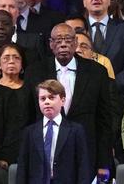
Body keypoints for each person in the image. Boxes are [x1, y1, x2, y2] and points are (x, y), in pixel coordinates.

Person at [24, 24, 113, 178]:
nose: (63, 44)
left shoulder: (97, 72)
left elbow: (105, 122)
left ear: (76, 42)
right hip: (46, 158)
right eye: (58, 40)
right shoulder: (35, 72)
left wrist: (104, 163)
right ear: (51, 44)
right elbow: (29, 118)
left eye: (68, 39)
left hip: (86, 157)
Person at [17, 79, 91, 184]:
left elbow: (83, 166)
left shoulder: (75, 130)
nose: (46, 102)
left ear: (62, 100)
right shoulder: (30, 132)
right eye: (42, 99)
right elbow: (23, 167)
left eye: (51, 97)